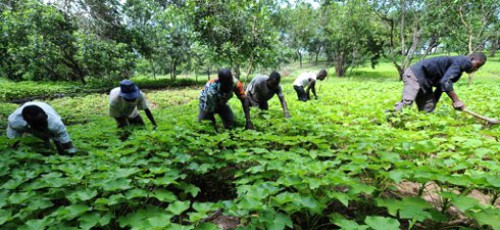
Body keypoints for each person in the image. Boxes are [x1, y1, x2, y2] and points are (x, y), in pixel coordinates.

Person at [394, 52, 487, 112]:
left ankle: (424, 129)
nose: (476, 69)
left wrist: (434, 102)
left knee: (429, 107)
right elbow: (445, 82)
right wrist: (457, 100)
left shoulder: (457, 69)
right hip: (415, 75)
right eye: (477, 65)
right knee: (406, 103)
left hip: (425, 81)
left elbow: (441, 87)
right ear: (472, 59)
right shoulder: (464, 61)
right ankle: (388, 120)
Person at [6, 101, 77, 154]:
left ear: (46, 117)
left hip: (44, 108)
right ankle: (45, 149)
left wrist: (69, 155)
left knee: (56, 139)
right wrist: (13, 153)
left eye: (43, 124)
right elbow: (12, 140)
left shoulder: (55, 122)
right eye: (38, 126)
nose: (41, 127)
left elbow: (66, 141)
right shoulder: (15, 122)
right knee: (41, 140)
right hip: (25, 122)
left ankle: (53, 151)